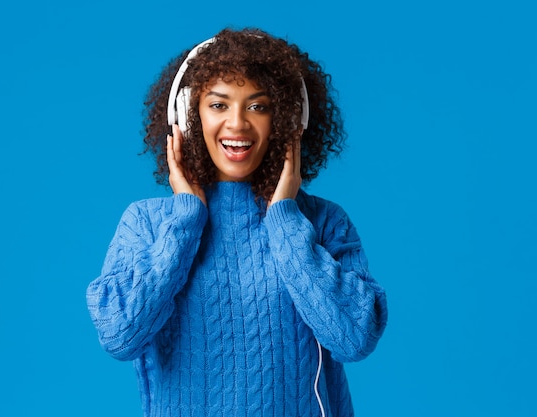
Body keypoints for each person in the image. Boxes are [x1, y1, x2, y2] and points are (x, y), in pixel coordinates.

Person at [86, 27, 388, 417]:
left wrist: (284, 221)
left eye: (258, 106)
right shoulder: (147, 223)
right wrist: (186, 219)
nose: (238, 124)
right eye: (218, 105)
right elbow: (119, 336)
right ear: (187, 115)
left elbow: (355, 340)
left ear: (289, 120)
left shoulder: (322, 221)